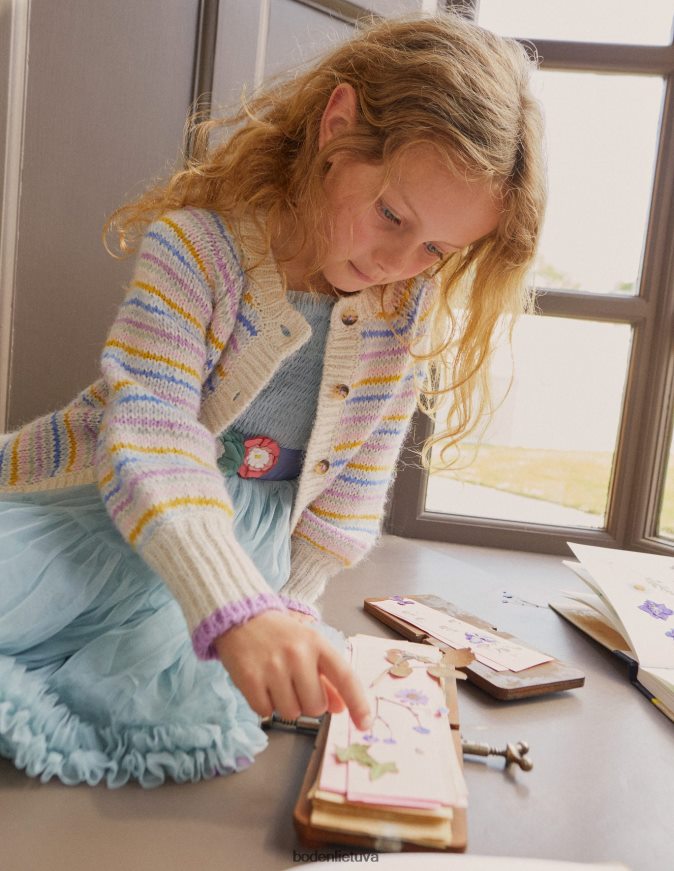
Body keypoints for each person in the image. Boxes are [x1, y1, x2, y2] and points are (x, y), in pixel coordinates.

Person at [0, 12, 545, 787]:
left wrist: (284, 608)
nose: (397, 260)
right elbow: (151, 436)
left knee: (158, 696)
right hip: (110, 509)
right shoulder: (196, 252)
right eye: (392, 215)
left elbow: (348, 498)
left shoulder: (402, 316)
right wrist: (236, 611)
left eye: (435, 249)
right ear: (338, 124)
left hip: (246, 562)